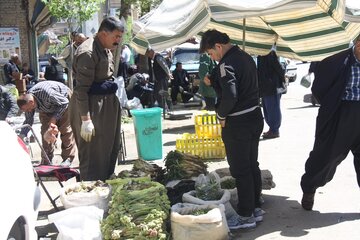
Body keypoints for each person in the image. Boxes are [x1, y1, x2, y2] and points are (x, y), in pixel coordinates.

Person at [200, 29, 264, 229]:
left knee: (240, 169)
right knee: (252, 163)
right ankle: (255, 206)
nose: (213, 57)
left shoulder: (226, 64)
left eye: (211, 53)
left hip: (238, 122)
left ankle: (246, 215)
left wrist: (221, 115)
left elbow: (231, 95)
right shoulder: (245, 57)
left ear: (218, 46)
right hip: (255, 117)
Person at [300, 35, 360, 211]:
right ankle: (309, 188)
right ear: (358, 44)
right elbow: (319, 88)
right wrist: (331, 103)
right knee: (326, 156)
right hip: (340, 113)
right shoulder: (337, 60)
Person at [69, 16, 124, 181]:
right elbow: (81, 90)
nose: (118, 41)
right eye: (116, 36)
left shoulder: (105, 47)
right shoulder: (88, 52)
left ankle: (105, 185)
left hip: (106, 105)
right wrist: (86, 120)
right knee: (94, 154)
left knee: (109, 149)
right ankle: (91, 191)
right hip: (92, 108)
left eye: (120, 37)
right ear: (104, 33)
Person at [17, 81, 76, 165]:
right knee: (46, 132)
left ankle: (68, 159)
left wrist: (54, 119)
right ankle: (47, 159)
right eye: (26, 110)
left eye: (28, 109)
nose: (29, 111)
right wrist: (22, 134)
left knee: (65, 130)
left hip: (64, 102)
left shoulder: (48, 93)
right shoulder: (28, 103)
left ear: (31, 102)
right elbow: (29, 120)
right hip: (46, 107)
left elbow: (64, 103)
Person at [257, 50, 286, 139]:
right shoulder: (261, 54)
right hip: (266, 87)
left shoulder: (269, 53)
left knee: (272, 109)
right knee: (267, 109)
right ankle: (272, 129)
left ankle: (274, 130)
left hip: (272, 87)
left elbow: (278, 68)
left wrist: (283, 80)